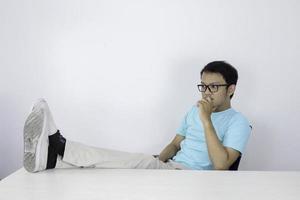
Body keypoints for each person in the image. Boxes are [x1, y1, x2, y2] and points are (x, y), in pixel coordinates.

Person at [23, 61, 251, 173]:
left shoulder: (237, 122)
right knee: (115, 163)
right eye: (203, 86)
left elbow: (222, 166)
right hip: (170, 169)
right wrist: (156, 165)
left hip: (192, 178)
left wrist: (206, 119)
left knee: (119, 163)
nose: (206, 93)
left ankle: (58, 147)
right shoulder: (194, 111)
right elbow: (174, 144)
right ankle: (55, 159)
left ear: (231, 89)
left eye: (213, 87)